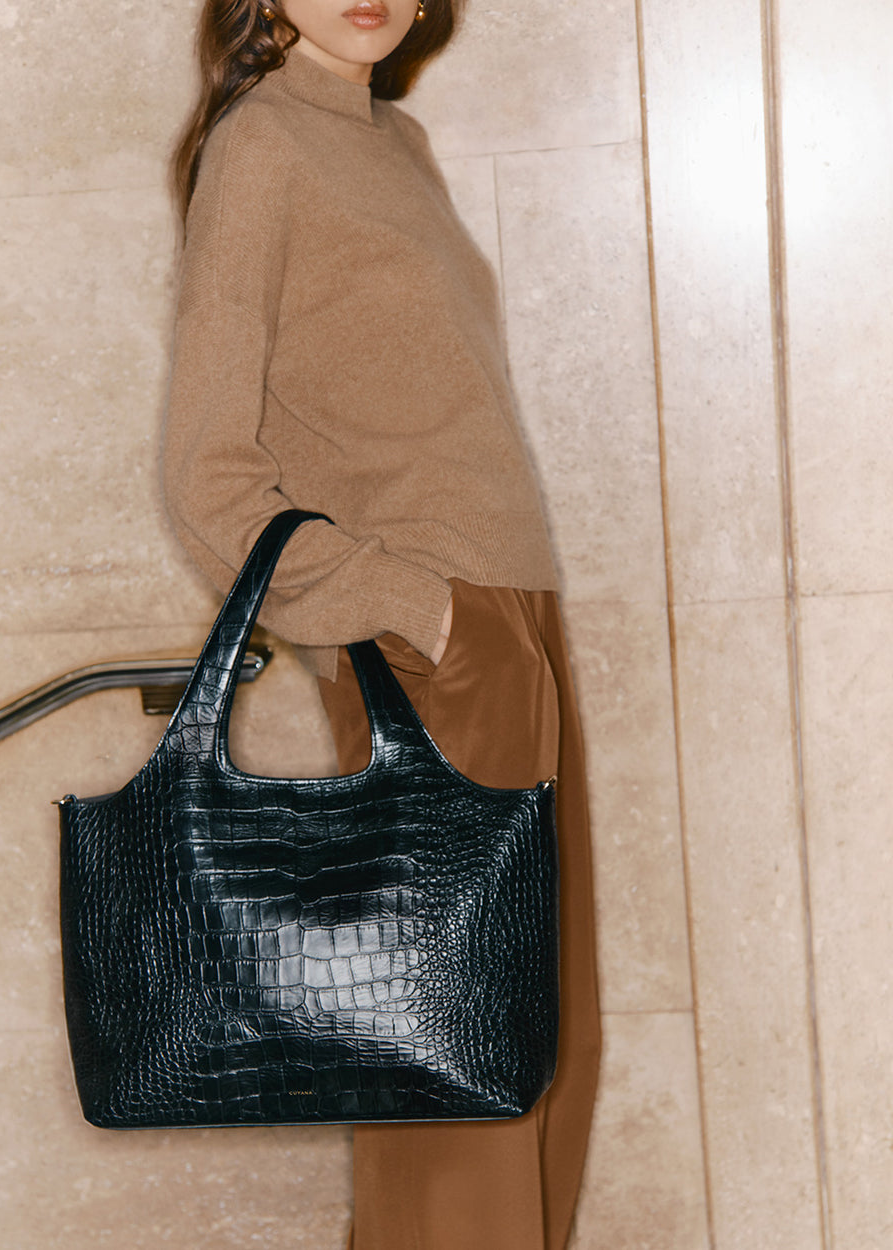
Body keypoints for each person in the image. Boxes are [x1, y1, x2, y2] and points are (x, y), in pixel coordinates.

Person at [161, 1, 602, 1246]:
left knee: (534, 1043)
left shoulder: (388, 141)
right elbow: (209, 479)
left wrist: (490, 622)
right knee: (459, 1058)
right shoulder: (263, 148)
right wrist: (421, 611)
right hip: (433, 639)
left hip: (507, 619)